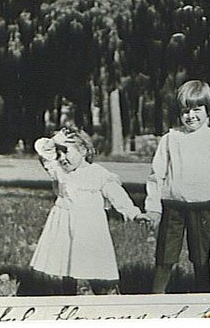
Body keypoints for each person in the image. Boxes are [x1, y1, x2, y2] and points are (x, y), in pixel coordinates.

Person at [136, 80, 210, 293]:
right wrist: (153, 206)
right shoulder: (171, 139)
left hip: (204, 205)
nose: (191, 116)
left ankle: (203, 297)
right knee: (165, 256)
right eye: (185, 111)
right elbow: (157, 174)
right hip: (174, 204)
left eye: (197, 109)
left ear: (209, 110)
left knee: (200, 257)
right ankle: (156, 297)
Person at [31, 126, 142, 295]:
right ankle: (68, 299)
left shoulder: (97, 173)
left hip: (89, 227)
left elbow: (116, 195)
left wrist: (133, 213)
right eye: (58, 154)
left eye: (66, 152)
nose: (61, 158)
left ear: (83, 150)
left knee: (93, 264)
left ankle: (105, 296)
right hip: (64, 226)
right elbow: (43, 150)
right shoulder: (60, 172)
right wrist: (56, 141)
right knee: (66, 264)